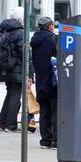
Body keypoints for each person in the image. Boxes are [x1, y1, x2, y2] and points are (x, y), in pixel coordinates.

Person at [0, 7, 27, 132]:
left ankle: (1, 122)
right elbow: (24, 53)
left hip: (6, 68)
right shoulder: (19, 32)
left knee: (10, 94)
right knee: (15, 96)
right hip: (17, 69)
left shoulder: (4, 30)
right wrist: (30, 72)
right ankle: (10, 125)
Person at [31, 16, 59, 150]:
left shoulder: (35, 40)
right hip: (52, 80)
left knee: (44, 111)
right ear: (50, 27)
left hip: (40, 80)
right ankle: (56, 140)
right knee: (56, 111)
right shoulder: (53, 39)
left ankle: (45, 140)